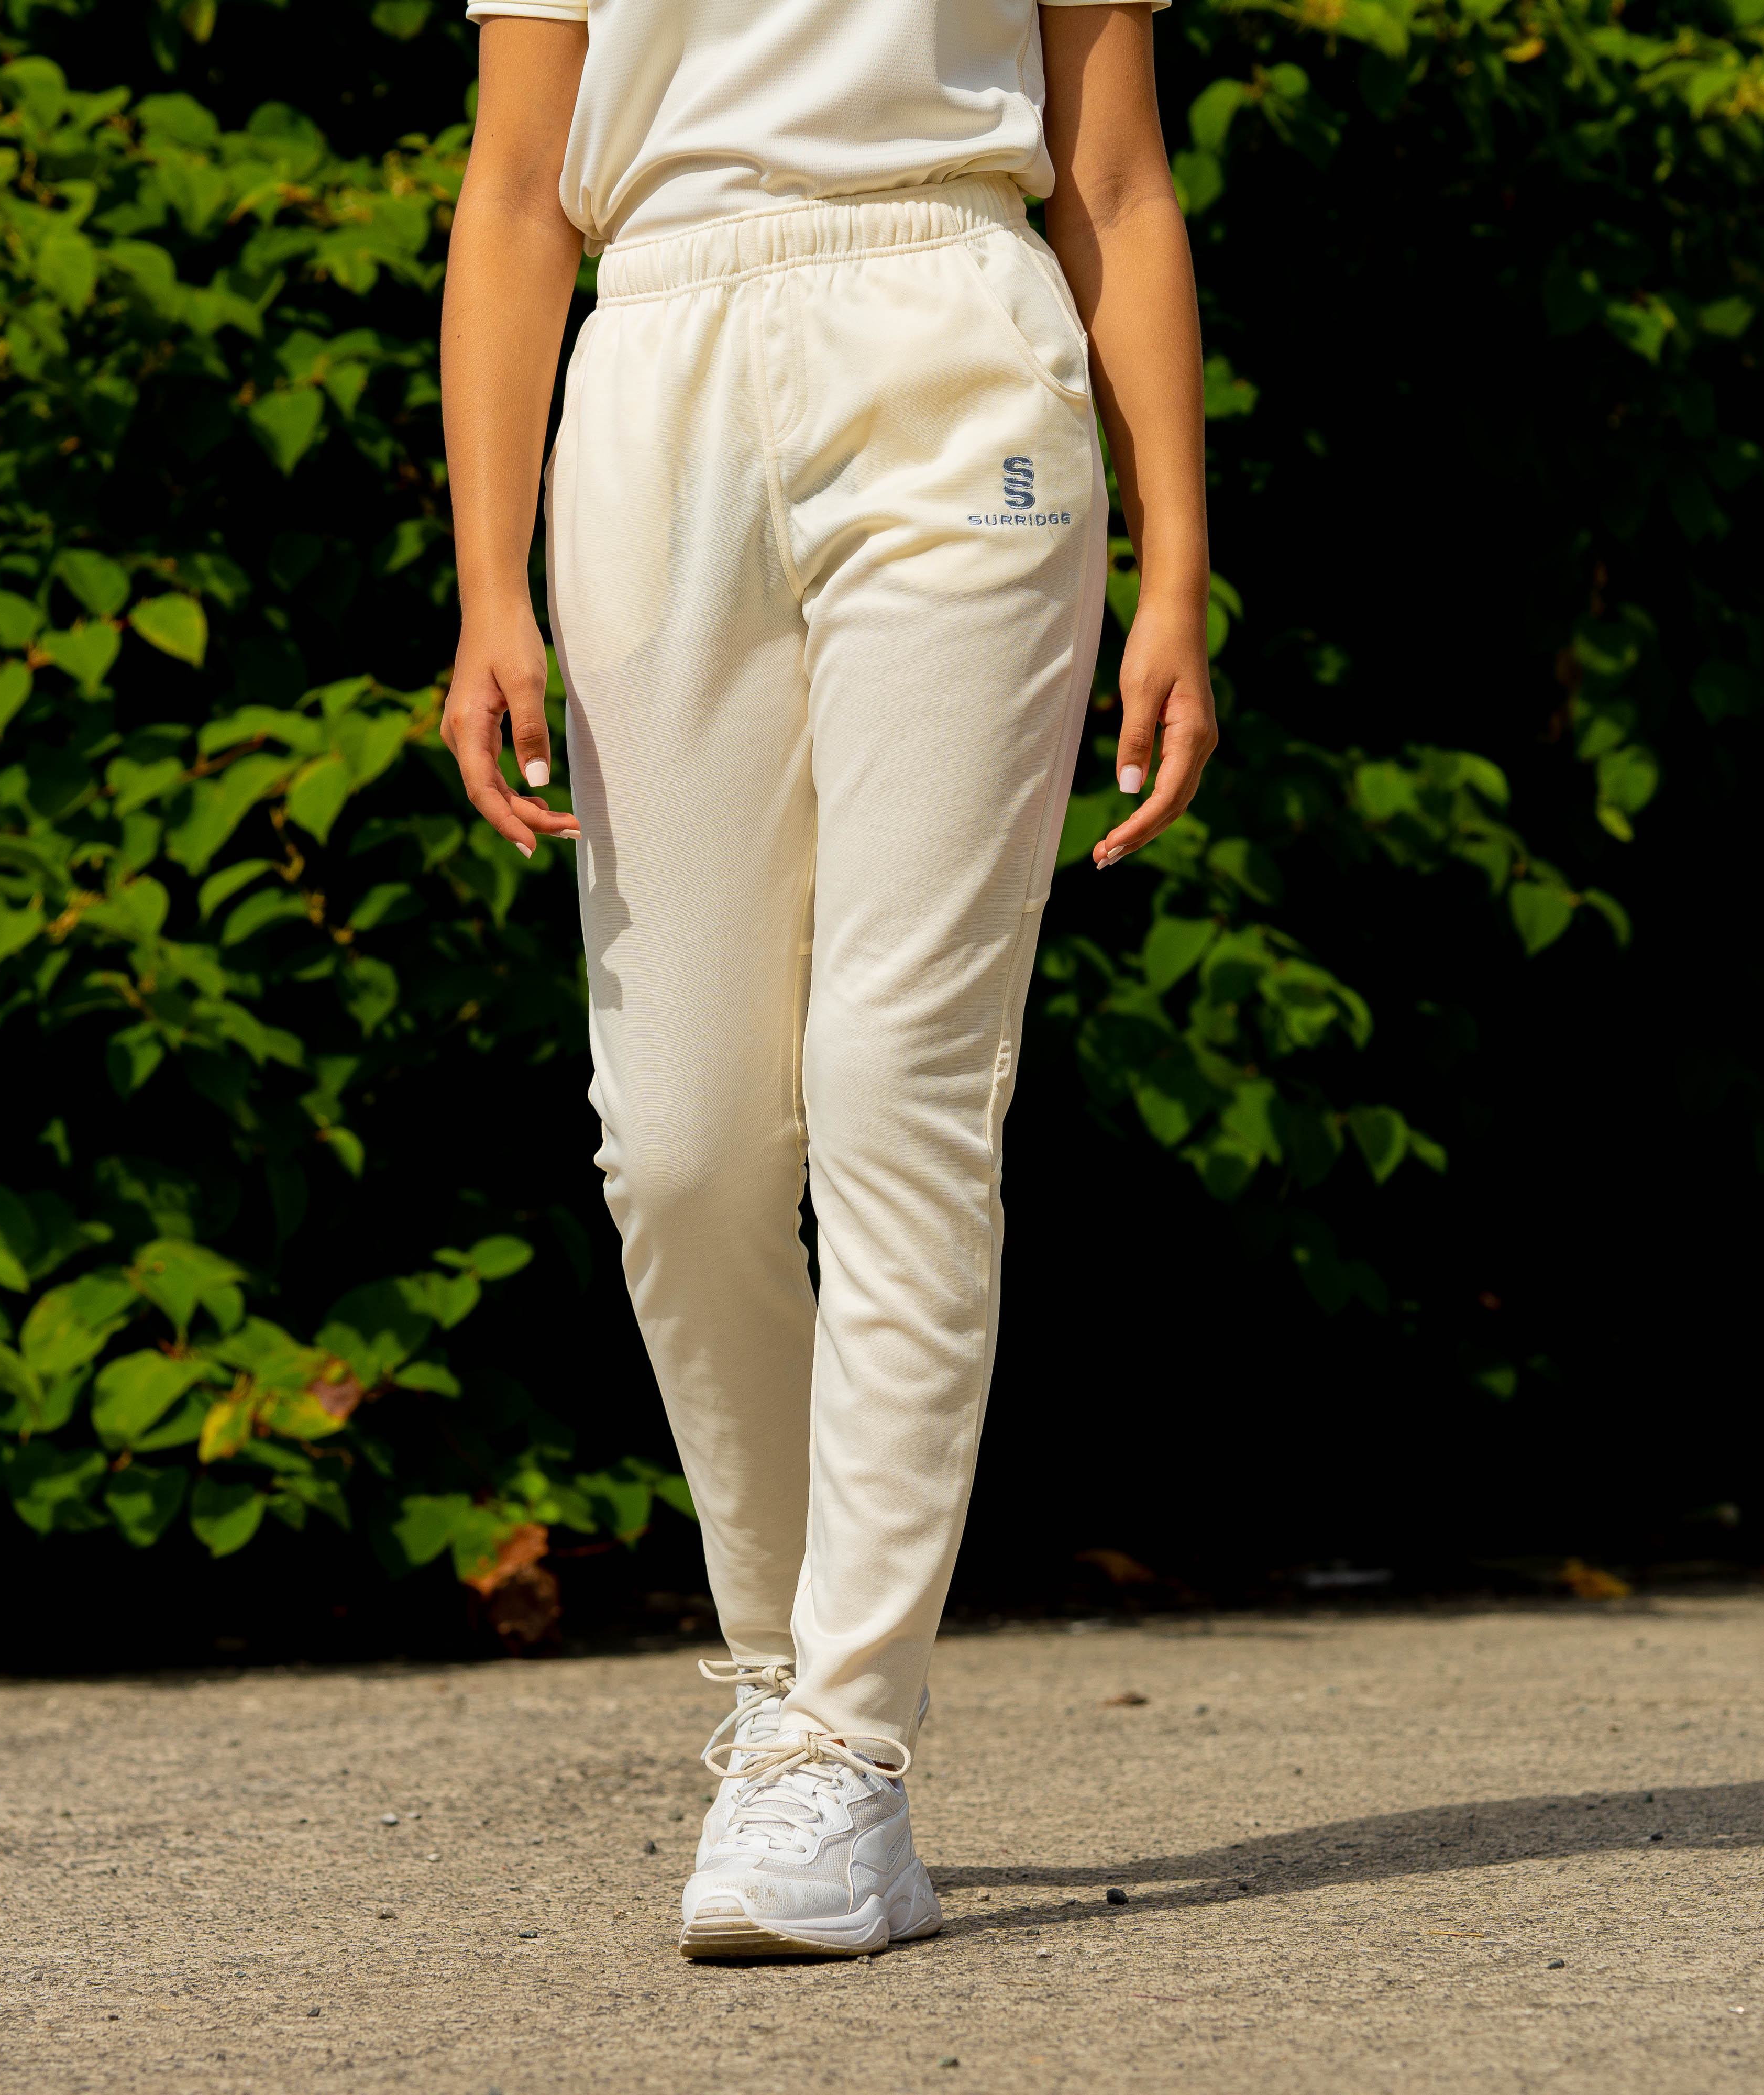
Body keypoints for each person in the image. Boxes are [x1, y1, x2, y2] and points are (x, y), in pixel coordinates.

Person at [439, 0, 1217, 1958]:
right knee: (680, 1146)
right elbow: (519, 194)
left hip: (958, 354)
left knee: (899, 1082)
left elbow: (1118, 182)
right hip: (658, 365)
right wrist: (487, 584)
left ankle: (845, 1749)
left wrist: (1180, 573)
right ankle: (784, 1685)